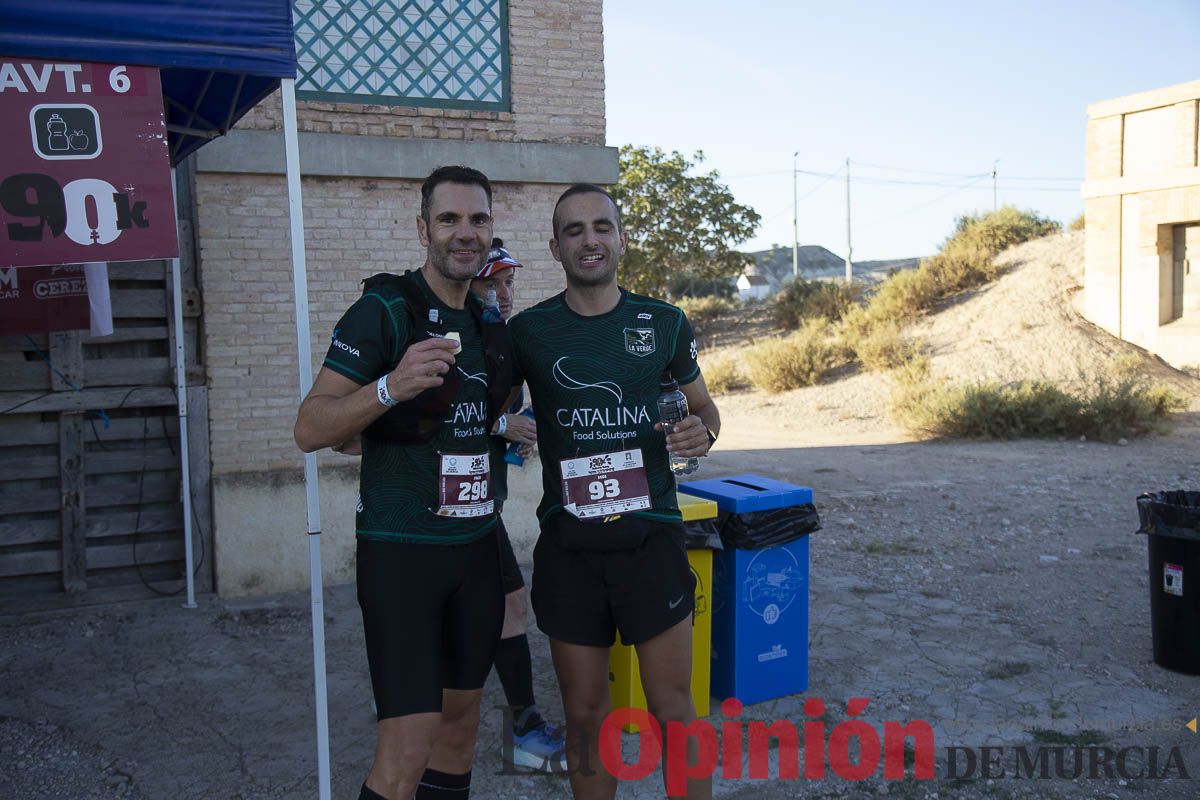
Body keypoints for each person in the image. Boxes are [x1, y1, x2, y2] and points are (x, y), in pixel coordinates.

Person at [294, 166, 517, 800]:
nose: (464, 233)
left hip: (477, 551)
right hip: (402, 553)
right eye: (449, 219)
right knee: (408, 746)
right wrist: (390, 386)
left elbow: (470, 420)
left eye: (478, 219)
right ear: (424, 229)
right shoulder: (384, 310)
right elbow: (311, 427)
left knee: (459, 729)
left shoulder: (488, 321)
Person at [508, 184, 721, 800]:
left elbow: (706, 410)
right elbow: (491, 410)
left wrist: (698, 434)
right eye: (574, 230)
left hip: (649, 541)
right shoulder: (529, 333)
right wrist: (506, 428)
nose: (589, 240)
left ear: (621, 238)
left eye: (602, 227)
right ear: (555, 246)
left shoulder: (664, 322)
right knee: (584, 718)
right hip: (570, 549)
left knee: (674, 711)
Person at [468, 239, 568, 772]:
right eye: (493, 281)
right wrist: (499, 422)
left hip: (484, 496)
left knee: (469, 607)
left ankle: (408, 700)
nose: (504, 293)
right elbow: (426, 409)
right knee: (508, 605)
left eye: (509, 281)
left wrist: (516, 429)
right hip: (441, 502)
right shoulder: (449, 333)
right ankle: (523, 732)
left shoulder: (505, 337)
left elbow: (503, 403)